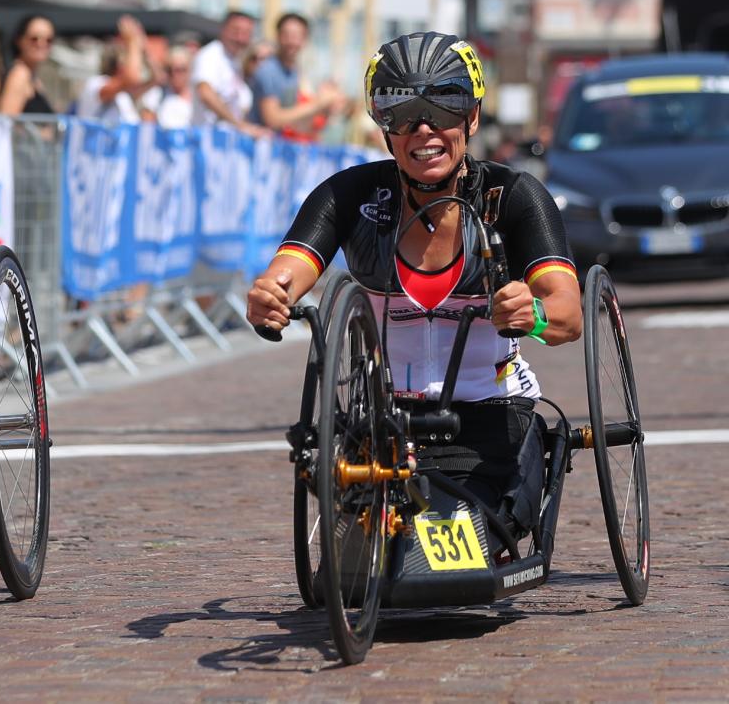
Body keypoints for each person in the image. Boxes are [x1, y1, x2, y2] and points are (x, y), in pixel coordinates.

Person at [246, 31, 582, 545]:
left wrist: (531, 312)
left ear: (471, 117)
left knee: (461, 556)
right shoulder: (349, 196)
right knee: (374, 560)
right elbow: (288, 270)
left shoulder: (513, 197)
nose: (424, 128)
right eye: (401, 113)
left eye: (444, 108)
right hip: (384, 430)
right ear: (384, 128)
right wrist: (271, 294)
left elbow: (567, 314)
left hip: (487, 420)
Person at [248, 12, 345, 142]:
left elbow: (296, 125)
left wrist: (325, 110)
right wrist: (318, 104)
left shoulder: (293, 72)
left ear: (305, 40)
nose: (292, 41)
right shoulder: (268, 71)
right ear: (277, 36)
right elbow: (272, 119)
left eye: (297, 36)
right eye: (286, 35)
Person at [191, 10, 266, 137]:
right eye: (235, 31)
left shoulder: (235, 62)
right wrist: (240, 125)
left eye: (246, 33)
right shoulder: (210, 55)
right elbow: (205, 93)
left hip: (226, 143)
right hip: (207, 140)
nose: (240, 38)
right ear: (223, 30)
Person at [75, 15, 152, 126]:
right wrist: (133, 41)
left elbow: (159, 77)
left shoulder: (123, 96)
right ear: (119, 65)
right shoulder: (96, 84)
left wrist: (143, 48)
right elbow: (132, 78)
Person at [0, 14, 56, 115]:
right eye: (34, 39)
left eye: (48, 40)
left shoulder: (32, 77)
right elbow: (6, 121)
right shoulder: (19, 75)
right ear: (19, 40)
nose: (41, 44)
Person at [140, 46, 195, 129]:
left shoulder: (198, 96)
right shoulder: (156, 94)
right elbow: (147, 126)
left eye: (180, 70)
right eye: (169, 69)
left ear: (190, 70)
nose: (175, 74)